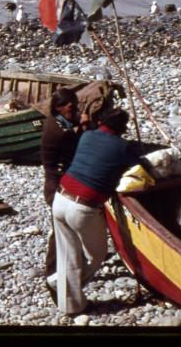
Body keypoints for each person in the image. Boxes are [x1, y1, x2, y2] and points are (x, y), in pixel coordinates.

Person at [51, 107, 145, 316]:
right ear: (121, 127)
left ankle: (68, 300)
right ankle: (61, 284)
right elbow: (139, 168)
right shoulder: (122, 147)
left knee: (68, 253)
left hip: (60, 197)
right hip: (82, 207)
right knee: (96, 255)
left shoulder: (87, 135)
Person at [40, 88, 83, 303]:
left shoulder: (53, 121)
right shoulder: (61, 132)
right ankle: (52, 276)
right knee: (59, 232)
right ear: (59, 108)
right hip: (56, 186)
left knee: (62, 229)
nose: (75, 109)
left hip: (52, 181)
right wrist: (84, 128)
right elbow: (76, 146)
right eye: (71, 106)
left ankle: (65, 266)